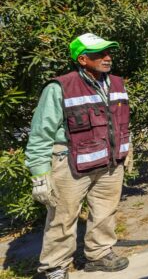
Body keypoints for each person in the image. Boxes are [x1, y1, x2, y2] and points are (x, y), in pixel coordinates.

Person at [25, 33, 132, 279]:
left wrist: (128, 147)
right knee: (62, 217)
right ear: (82, 59)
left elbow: (120, 120)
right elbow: (41, 133)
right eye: (100, 54)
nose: (107, 58)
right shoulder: (60, 87)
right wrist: (40, 174)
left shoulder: (116, 83)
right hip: (71, 164)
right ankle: (54, 266)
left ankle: (99, 254)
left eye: (109, 53)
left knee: (105, 212)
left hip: (110, 163)